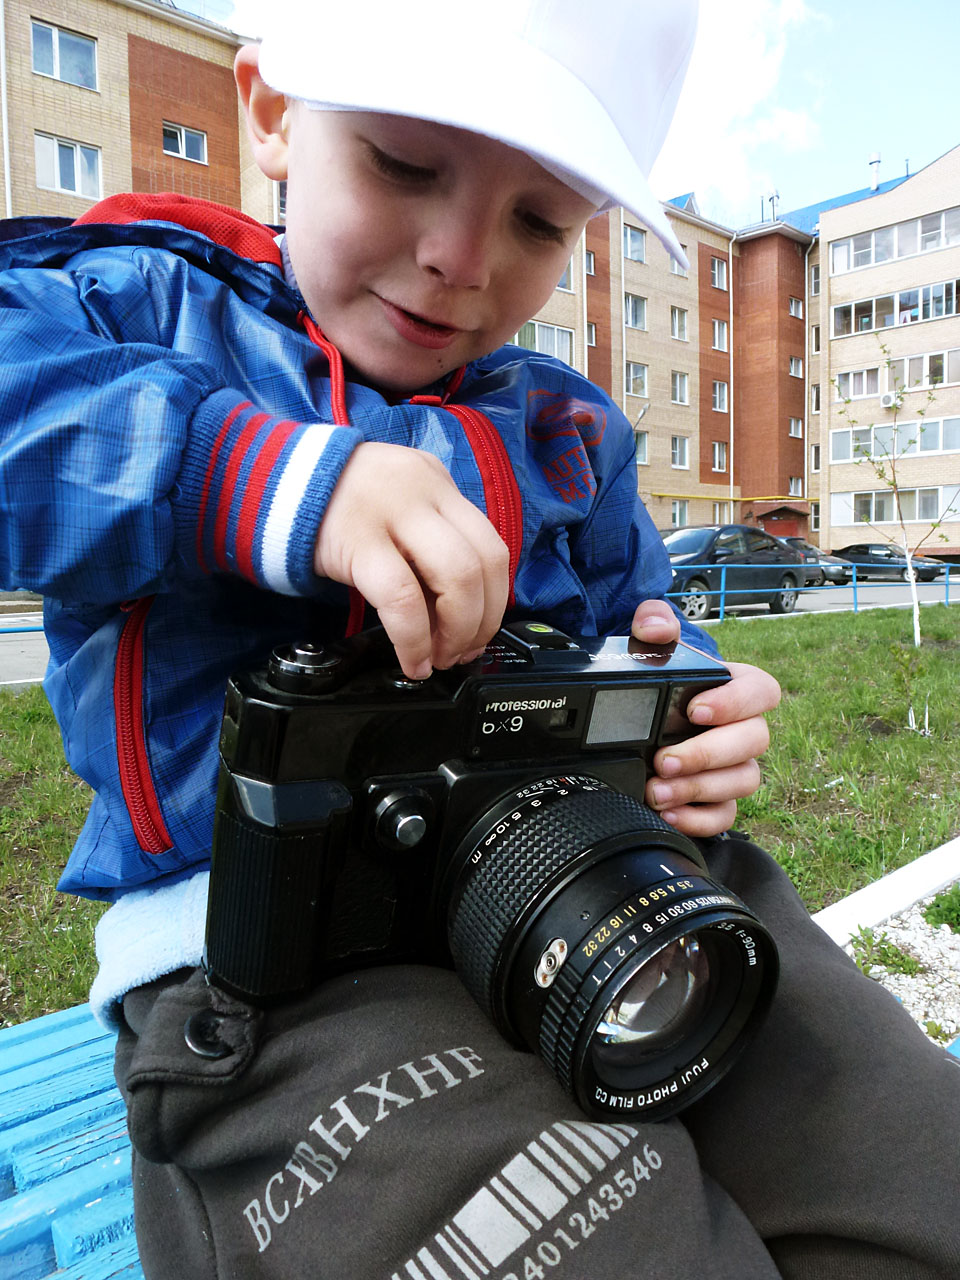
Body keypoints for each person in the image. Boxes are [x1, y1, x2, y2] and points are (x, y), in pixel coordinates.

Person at [0, 1, 957, 1276]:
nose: (462, 254)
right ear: (273, 114)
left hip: (588, 874)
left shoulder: (570, 429)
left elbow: (648, 633)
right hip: (282, 966)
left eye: (540, 220)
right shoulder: (140, 302)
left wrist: (694, 716)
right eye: (404, 163)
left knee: (914, 1168)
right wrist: (265, 478)